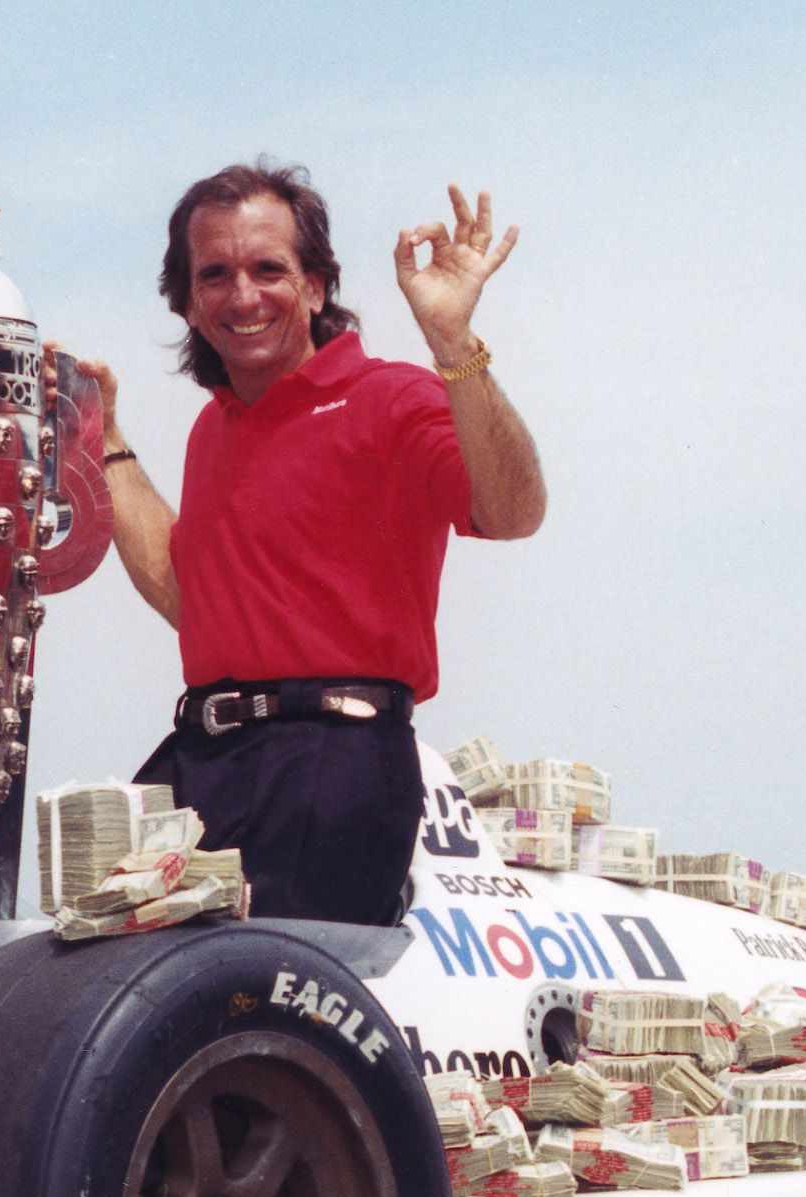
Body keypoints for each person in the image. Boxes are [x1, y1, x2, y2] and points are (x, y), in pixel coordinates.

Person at [53, 162, 546, 926]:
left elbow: (513, 512)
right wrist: (104, 440)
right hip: (207, 753)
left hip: (333, 762)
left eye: (267, 269)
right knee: (103, 959)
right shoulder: (213, 430)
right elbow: (196, 603)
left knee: (248, 1002)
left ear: (315, 286)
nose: (242, 297)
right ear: (185, 302)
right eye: (214, 275)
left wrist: (452, 342)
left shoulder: (393, 398)